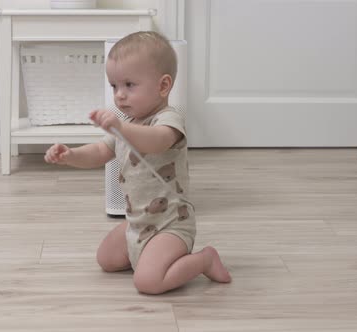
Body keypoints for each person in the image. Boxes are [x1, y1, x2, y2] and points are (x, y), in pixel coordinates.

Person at [45, 31, 231, 295]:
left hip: (171, 225)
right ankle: (148, 257)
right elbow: (99, 151)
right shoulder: (128, 123)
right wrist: (70, 155)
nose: (119, 95)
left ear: (163, 86)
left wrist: (120, 127)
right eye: (114, 86)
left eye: (129, 85)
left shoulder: (169, 120)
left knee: (148, 283)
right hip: (138, 222)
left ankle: (204, 259)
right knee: (106, 260)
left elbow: (156, 142)